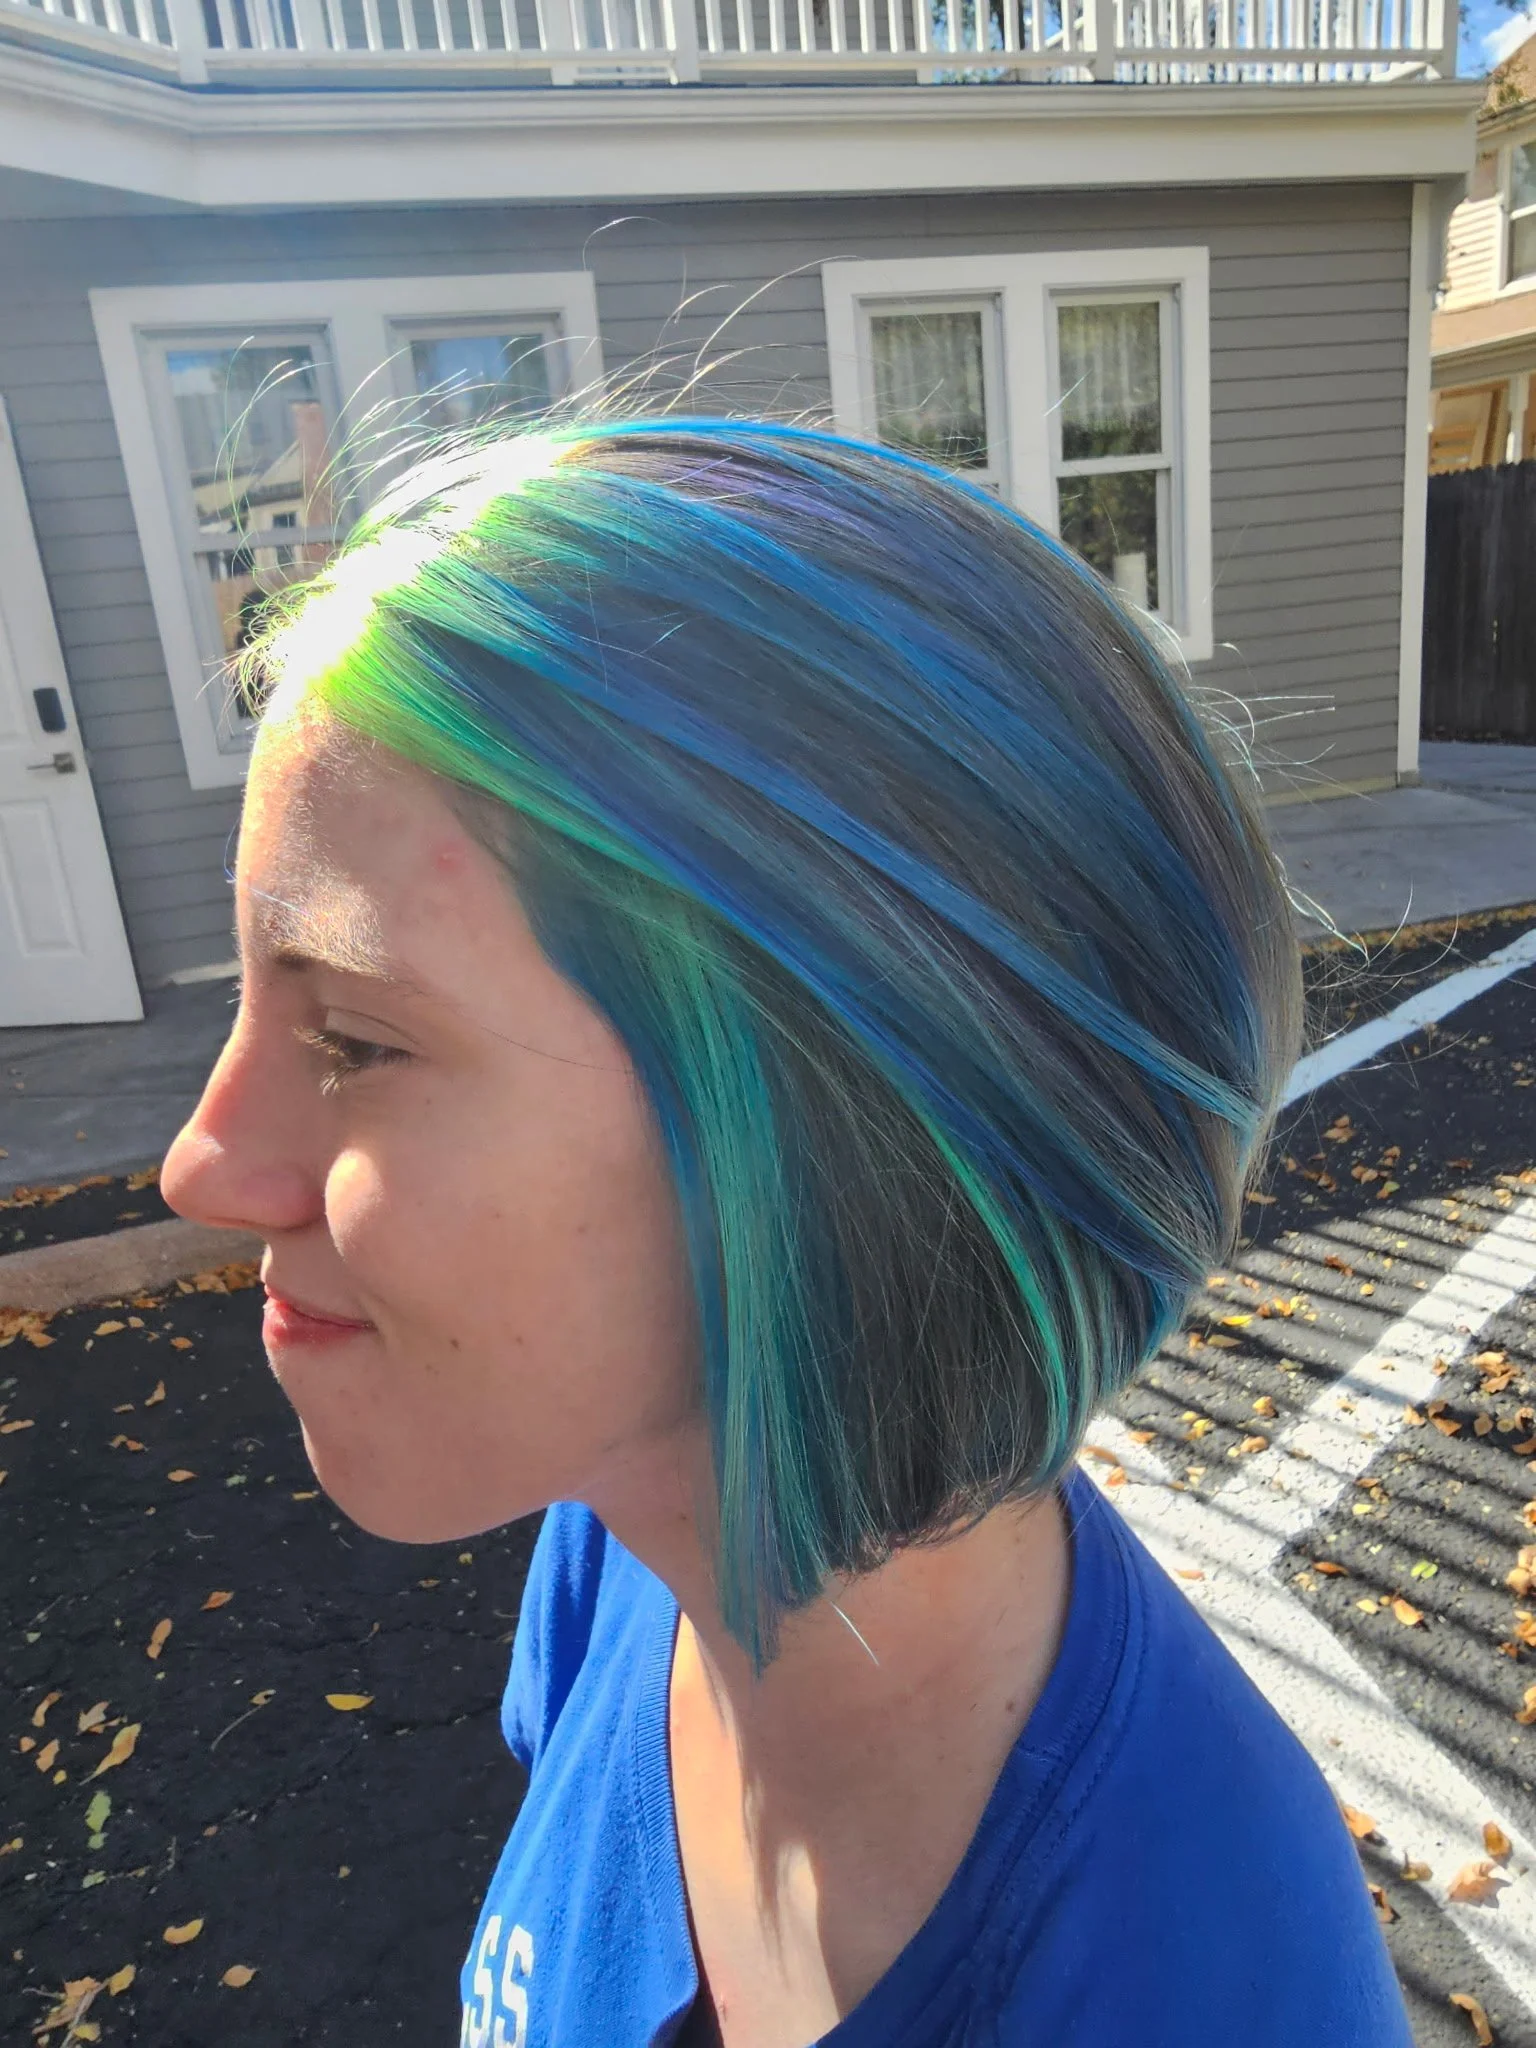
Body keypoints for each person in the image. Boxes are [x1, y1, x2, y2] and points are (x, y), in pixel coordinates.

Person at [161, 418, 1412, 2047]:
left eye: (355, 1041)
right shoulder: (620, 1548)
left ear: (842, 1146)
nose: (203, 1163)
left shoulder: (1198, 1983)